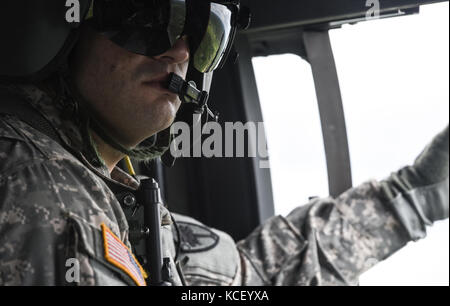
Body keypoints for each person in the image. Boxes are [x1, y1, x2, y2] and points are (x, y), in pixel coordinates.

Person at [0, 0, 448, 286]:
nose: (179, 52)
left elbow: (249, 279)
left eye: (202, 31)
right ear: (61, 24)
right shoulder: (39, 185)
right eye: (150, 18)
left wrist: (413, 195)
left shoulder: (123, 204)